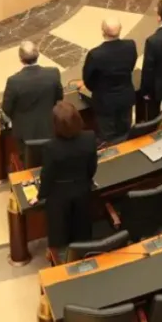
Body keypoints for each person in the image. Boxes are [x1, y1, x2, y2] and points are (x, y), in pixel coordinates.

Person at [37, 101, 98, 248]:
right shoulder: (89, 138)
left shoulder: (51, 147)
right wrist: (87, 180)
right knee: (82, 229)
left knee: (59, 235)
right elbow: (92, 166)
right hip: (82, 190)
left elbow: (47, 175)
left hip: (58, 196)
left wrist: (40, 195)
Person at [82, 17, 137, 142]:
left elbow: (88, 80)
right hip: (125, 98)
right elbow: (131, 66)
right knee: (126, 133)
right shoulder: (130, 45)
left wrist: (97, 88)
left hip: (104, 102)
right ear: (120, 29)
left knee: (108, 138)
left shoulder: (95, 54)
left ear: (103, 31)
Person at [4, 41, 63, 155]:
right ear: (38, 54)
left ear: (21, 59)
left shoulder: (13, 81)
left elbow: (7, 108)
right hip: (50, 128)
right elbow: (59, 97)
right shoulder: (53, 73)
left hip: (25, 134)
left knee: (28, 162)